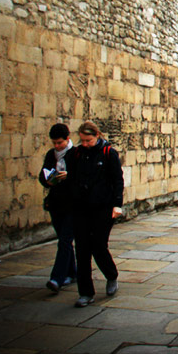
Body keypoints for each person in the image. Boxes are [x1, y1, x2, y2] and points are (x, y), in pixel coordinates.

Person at [66, 121, 124, 308]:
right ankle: (85, 293)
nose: (85, 144)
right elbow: (70, 177)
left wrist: (117, 204)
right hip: (81, 207)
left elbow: (117, 180)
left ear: (97, 136)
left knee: (98, 246)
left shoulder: (109, 153)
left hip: (103, 207)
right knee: (82, 250)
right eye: (82, 140)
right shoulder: (75, 154)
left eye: (89, 140)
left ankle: (111, 275)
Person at [39, 123, 76, 293]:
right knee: (64, 239)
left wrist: (69, 176)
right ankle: (72, 272)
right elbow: (43, 174)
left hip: (72, 204)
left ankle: (57, 278)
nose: (56, 146)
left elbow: (83, 176)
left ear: (67, 139)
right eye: (54, 143)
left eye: (59, 143)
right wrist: (48, 179)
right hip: (56, 203)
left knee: (64, 241)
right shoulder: (51, 155)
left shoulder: (76, 154)